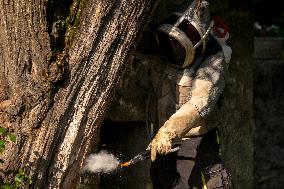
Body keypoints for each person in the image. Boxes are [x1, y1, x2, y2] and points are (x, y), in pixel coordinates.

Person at [147, 0, 233, 188]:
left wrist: (170, 130)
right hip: (161, 144)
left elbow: (199, 104)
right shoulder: (161, 43)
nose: (174, 48)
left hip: (196, 144)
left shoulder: (213, 57)